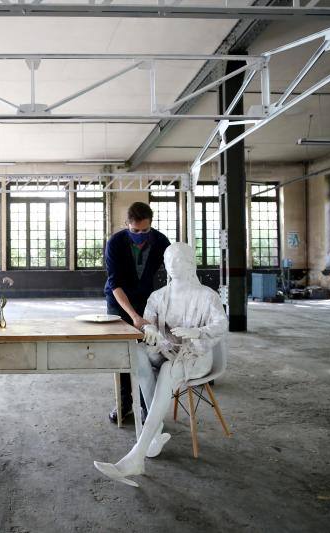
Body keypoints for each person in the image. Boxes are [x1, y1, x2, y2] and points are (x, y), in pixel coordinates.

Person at [94, 242, 228, 486]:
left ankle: (136, 456)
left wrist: (196, 331)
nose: (173, 265)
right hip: (167, 350)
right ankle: (154, 433)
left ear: (189, 263)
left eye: (178, 261)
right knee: (138, 354)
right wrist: (150, 330)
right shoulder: (159, 296)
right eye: (169, 261)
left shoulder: (207, 296)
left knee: (167, 370)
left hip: (196, 355)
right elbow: (148, 322)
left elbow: (222, 324)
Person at [104, 201, 171, 423]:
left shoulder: (161, 242)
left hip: (147, 299)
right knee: (121, 350)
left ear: (151, 225)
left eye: (145, 230)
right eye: (135, 231)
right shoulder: (115, 243)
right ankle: (124, 403)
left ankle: (146, 404)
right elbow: (115, 285)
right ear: (127, 224)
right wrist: (134, 317)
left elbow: (172, 276)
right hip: (118, 300)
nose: (140, 235)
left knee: (147, 351)